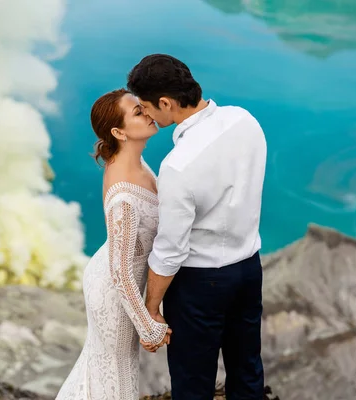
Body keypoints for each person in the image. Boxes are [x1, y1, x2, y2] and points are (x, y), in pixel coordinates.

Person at [127, 54, 267, 400]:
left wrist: (152, 306)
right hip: (249, 269)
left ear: (165, 103)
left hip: (200, 284)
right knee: (247, 369)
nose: (147, 115)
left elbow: (170, 249)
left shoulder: (178, 165)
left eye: (146, 107)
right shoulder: (245, 120)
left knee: (193, 383)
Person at [55, 88, 172, 400]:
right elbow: (120, 271)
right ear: (119, 132)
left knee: (101, 368)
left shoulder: (136, 162)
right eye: (138, 112)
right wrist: (147, 325)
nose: (148, 112)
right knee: (116, 373)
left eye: (142, 106)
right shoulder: (123, 195)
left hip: (116, 276)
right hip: (113, 291)